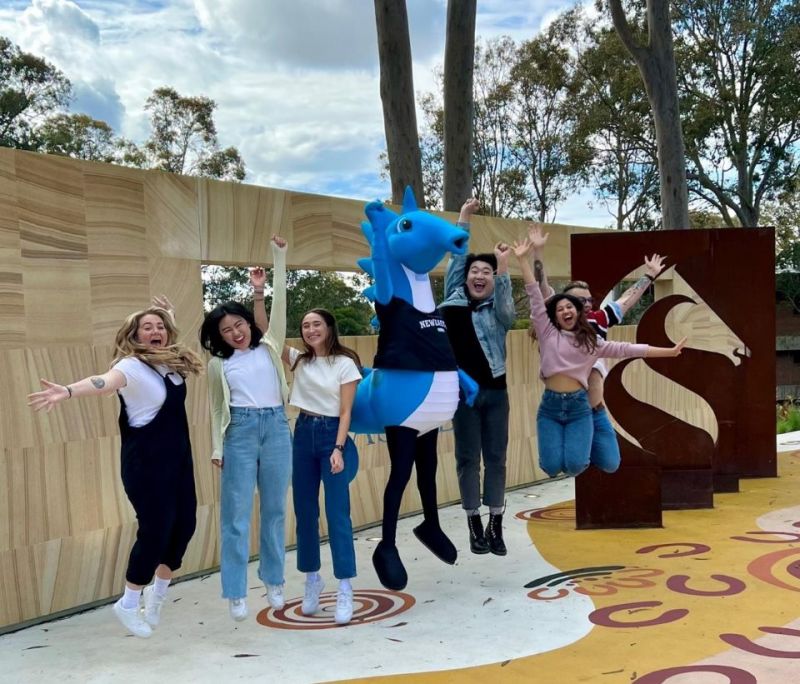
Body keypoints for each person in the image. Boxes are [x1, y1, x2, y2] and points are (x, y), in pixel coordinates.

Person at [27, 299, 203, 638]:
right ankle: (128, 601)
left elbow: (170, 339)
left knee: (185, 526)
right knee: (156, 531)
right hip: (146, 467)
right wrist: (67, 391)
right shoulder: (131, 366)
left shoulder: (170, 364)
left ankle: (157, 596)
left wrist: (170, 316)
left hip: (179, 461)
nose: (156, 331)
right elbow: (102, 381)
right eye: (147, 327)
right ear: (134, 335)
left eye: (160, 326)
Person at [512, 236, 685, 477]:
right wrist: (537, 252)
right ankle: (574, 447)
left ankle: (579, 447)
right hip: (558, 404)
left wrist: (649, 276)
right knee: (554, 465)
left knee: (610, 464)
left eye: (588, 300)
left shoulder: (598, 324)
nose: (584, 304)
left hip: (591, 409)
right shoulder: (551, 326)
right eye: (576, 300)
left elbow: (627, 307)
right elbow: (538, 291)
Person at [200, 236, 292, 622]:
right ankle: (235, 591)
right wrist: (217, 448)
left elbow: (280, 309)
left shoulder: (269, 346)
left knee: (274, 511)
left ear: (248, 324)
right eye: (226, 331)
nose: (236, 333)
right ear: (218, 337)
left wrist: (273, 267)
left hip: (276, 427)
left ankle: (273, 580)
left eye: (239, 325)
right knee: (234, 516)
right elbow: (217, 410)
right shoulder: (219, 366)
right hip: (238, 432)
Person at [439, 198, 516, 557]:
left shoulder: (498, 310)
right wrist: (464, 216)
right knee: (468, 459)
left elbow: (508, 308)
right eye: (476, 272)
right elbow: (457, 258)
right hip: (463, 397)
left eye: (486, 272)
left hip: (496, 393)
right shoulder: (452, 299)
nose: (479, 275)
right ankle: (473, 524)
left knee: (496, 459)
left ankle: (496, 524)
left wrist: (503, 270)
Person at [282, 309, 362, 625]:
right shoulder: (300, 361)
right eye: (305, 325)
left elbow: (345, 412)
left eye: (316, 324)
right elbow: (265, 332)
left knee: (337, 512)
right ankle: (312, 578)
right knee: (305, 512)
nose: (311, 329)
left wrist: (339, 448)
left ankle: (345, 586)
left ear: (329, 327)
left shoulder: (345, 363)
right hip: (302, 432)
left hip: (332, 434)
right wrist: (261, 293)